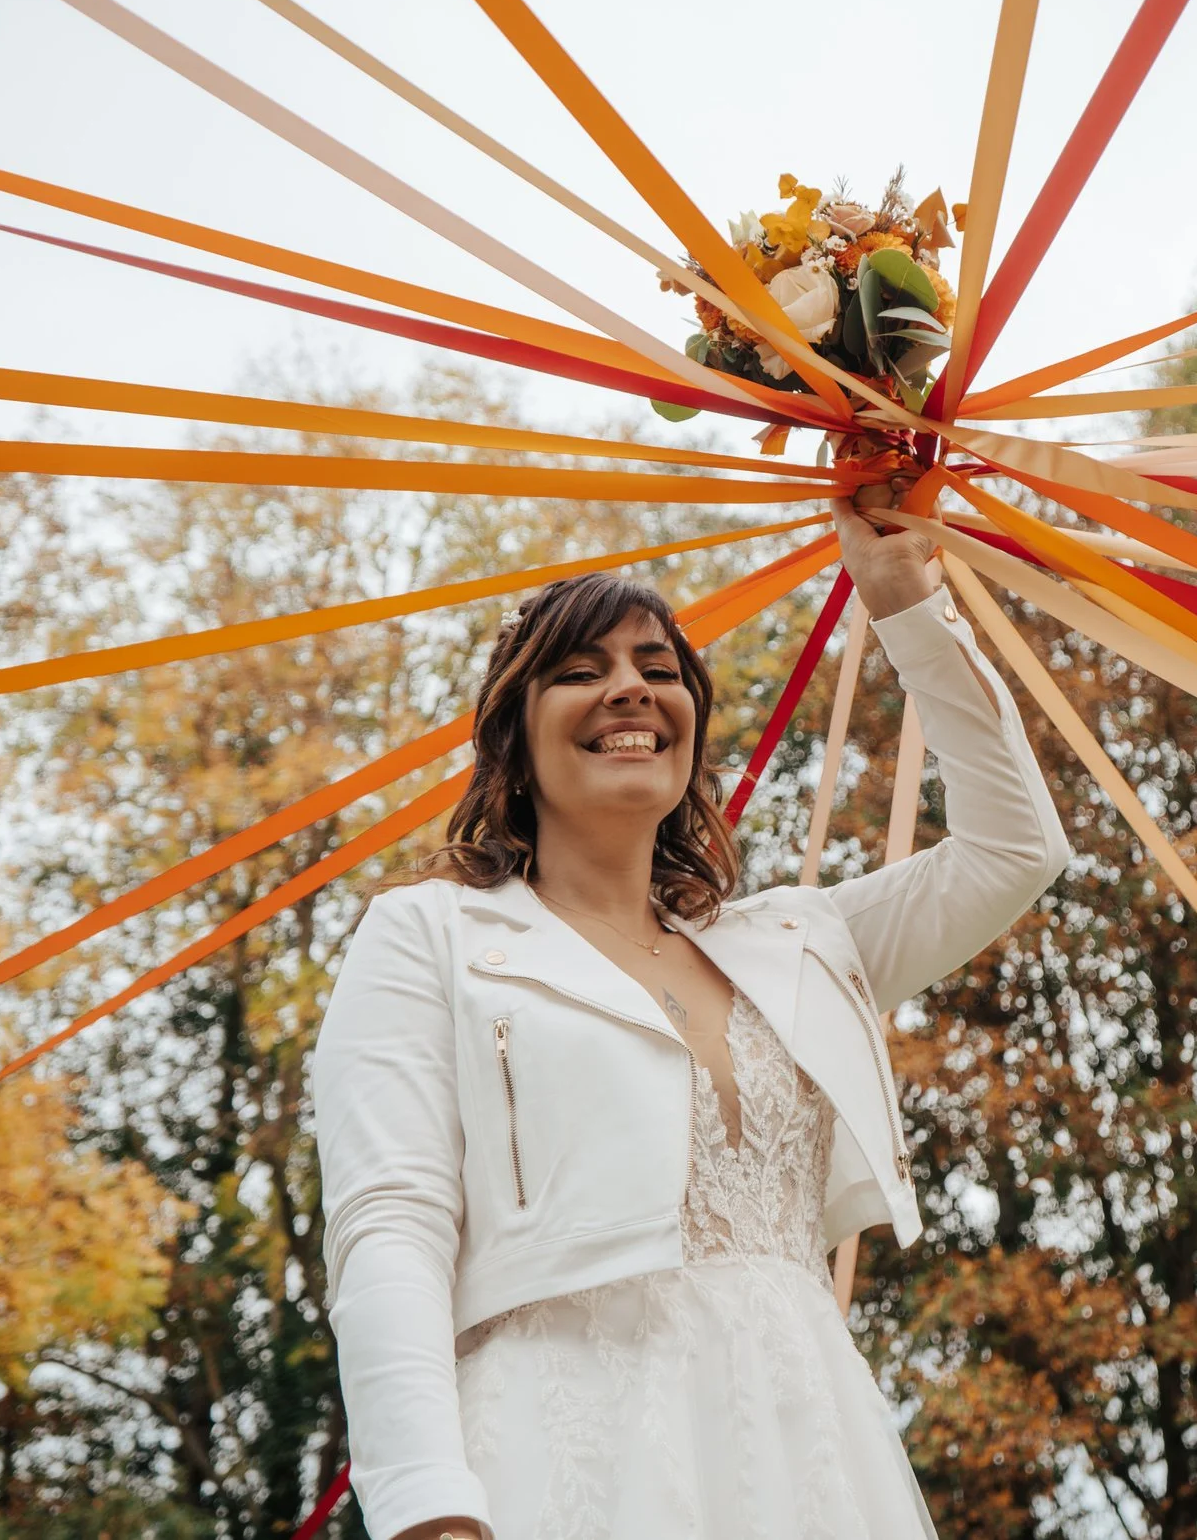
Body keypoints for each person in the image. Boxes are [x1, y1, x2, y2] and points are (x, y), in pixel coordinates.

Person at [310, 493, 1071, 1540]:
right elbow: (388, 1225)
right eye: (580, 669)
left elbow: (1014, 852)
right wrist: (426, 1502)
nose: (629, 685)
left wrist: (904, 599)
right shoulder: (428, 932)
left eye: (658, 669)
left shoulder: (797, 942)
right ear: (512, 740)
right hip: (562, 1446)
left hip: (808, 1448)